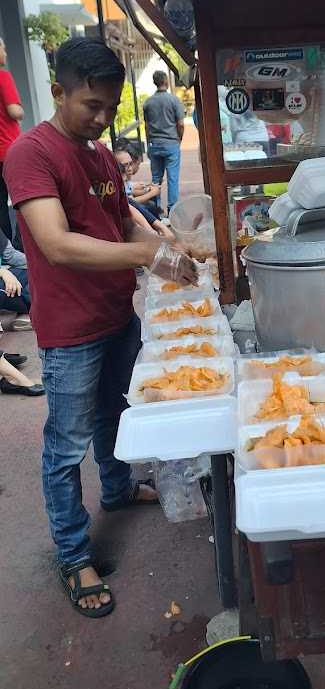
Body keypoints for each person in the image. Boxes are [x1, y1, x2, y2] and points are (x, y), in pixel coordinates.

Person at [3, 38, 196, 618]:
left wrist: (170, 248)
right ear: (58, 92)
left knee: (118, 412)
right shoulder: (31, 154)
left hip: (117, 315)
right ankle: (72, 553)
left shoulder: (100, 152)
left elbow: (124, 221)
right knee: (65, 445)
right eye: (91, 105)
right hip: (70, 328)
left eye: (111, 108)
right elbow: (57, 244)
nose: (102, 118)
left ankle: (116, 488)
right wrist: (146, 259)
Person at [143, 70, 184, 212]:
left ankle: (156, 209)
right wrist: (179, 139)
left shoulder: (148, 102)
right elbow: (180, 124)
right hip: (171, 143)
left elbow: (147, 126)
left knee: (155, 179)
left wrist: (149, 143)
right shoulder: (174, 100)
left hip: (154, 144)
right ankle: (172, 210)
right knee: (172, 179)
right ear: (166, 81)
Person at [0, 36, 23, 241]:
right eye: (3, 48)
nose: (6, 53)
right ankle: (21, 246)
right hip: (9, 150)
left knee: (0, 203)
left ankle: (4, 250)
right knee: (23, 200)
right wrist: (21, 109)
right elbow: (14, 111)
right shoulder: (3, 77)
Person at [0, 227, 31, 329]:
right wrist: (3, 273)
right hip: (3, 274)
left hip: (7, 271)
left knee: (33, 278)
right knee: (12, 289)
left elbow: (10, 255)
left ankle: (38, 311)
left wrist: (37, 265)